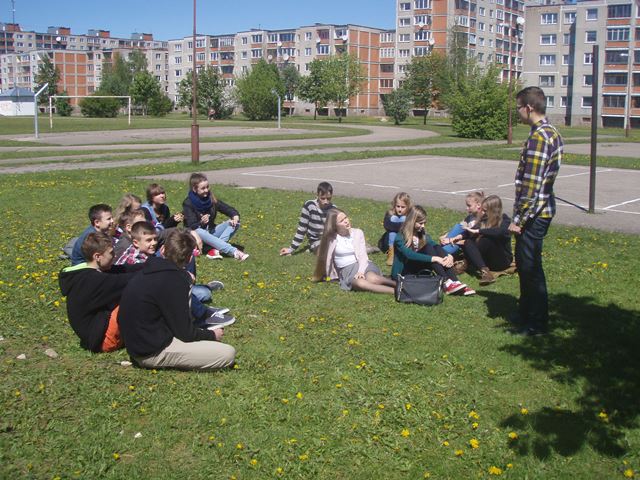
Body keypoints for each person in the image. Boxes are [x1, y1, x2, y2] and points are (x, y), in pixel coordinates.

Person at [118, 229, 236, 371]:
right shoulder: (176, 281)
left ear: (162, 249)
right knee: (227, 353)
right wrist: (212, 335)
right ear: (189, 258)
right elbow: (186, 333)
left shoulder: (148, 267)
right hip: (150, 351)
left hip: (137, 343)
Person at [508, 86, 562, 336]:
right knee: (525, 264)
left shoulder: (540, 137)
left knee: (530, 268)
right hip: (538, 211)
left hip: (534, 215)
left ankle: (537, 323)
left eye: (519, 107)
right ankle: (525, 313)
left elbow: (531, 185)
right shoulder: (549, 132)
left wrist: (518, 220)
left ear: (529, 108)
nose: (518, 112)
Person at [59, 232, 141, 353]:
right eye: (111, 253)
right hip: (102, 340)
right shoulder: (92, 280)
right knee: (135, 293)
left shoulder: (91, 271)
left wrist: (153, 264)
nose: (114, 255)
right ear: (97, 256)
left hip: (97, 333)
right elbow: (127, 279)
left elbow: (124, 269)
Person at [391, 206, 475, 296]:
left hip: (417, 268)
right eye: (420, 223)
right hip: (403, 273)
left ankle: (456, 282)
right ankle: (446, 282)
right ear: (412, 221)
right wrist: (434, 258)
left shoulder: (421, 233)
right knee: (428, 248)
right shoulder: (400, 236)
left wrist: (448, 256)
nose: (423, 226)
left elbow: (435, 245)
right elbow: (409, 254)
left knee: (435, 247)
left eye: (424, 223)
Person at [312, 209, 395, 294]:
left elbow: (363, 256)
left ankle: (398, 284)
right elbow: (324, 258)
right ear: (334, 225)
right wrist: (324, 276)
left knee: (373, 279)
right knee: (360, 283)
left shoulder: (358, 233)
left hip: (363, 265)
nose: (346, 221)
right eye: (341, 221)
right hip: (347, 270)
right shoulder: (331, 239)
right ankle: (396, 292)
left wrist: (360, 271)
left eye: (346, 218)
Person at [447, 195, 514, 285]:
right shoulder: (484, 218)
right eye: (483, 210)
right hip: (486, 261)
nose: (482, 212)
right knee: (468, 242)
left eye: (485, 210)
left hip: (501, 261)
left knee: (487, 238)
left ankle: (466, 262)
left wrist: (479, 231)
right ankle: (485, 272)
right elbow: (471, 231)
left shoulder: (504, 219)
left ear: (493, 210)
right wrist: (459, 236)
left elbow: (499, 232)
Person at [182, 172, 249, 261]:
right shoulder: (188, 203)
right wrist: (201, 222)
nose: (206, 190)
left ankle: (214, 250)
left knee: (234, 223)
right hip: (196, 237)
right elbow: (192, 226)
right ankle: (234, 252)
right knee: (199, 231)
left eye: (207, 187)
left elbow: (228, 209)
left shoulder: (211, 199)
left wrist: (235, 216)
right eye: (203, 188)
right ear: (194, 189)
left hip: (210, 232)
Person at [280, 182, 335, 256]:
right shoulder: (309, 206)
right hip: (316, 241)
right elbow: (302, 229)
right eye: (322, 198)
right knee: (325, 253)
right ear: (317, 195)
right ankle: (313, 247)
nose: (325, 202)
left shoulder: (334, 209)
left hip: (330, 240)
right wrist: (291, 249)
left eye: (328, 198)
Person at [439, 191, 484, 256]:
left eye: (469, 206)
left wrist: (452, 240)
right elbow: (460, 227)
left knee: (444, 250)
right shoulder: (471, 216)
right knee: (459, 226)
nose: (467, 208)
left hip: (472, 245)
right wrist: (445, 236)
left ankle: (442, 252)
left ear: (478, 205)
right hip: (461, 240)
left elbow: (473, 240)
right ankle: (441, 250)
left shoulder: (483, 219)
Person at [378, 192, 412, 266]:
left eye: (403, 207)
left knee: (403, 218)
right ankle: (391, 254)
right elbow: (387, 226)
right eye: (398, 206)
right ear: (394, 205)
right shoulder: (390, 213)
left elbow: (411, 227)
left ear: (408, 206)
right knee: (392, 231)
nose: (400, 209)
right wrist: (403, 226)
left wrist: (397, 227)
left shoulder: (410, 215)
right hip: (390, 241)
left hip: (404, 239)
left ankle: (403, 253)